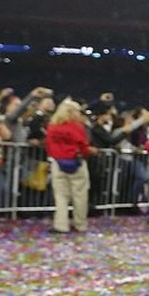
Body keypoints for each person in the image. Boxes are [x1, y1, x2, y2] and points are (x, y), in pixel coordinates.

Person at [45, 99, 93, 234]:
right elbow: (83, 145)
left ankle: (61, 225)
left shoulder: (52, 126)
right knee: (80, 195)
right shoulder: (77, 127)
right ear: (72, 112)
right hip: (76, 162)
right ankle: (80, 224)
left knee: (60, 196)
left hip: (58, 163)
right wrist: (85, 154)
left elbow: (49, 145)